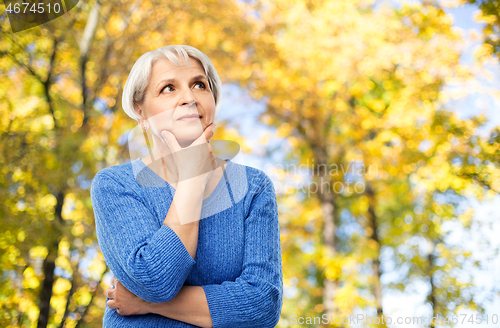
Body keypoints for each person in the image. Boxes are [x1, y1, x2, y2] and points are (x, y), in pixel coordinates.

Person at [90, 45, 283, 328]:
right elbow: (155, 281)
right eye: (168, 88)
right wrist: (193, 180)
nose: (189, 98)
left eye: (199, 85)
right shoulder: (115, 184)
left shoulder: (253, 187)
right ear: (140, 111)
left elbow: (262, 305)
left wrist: (143, 302)